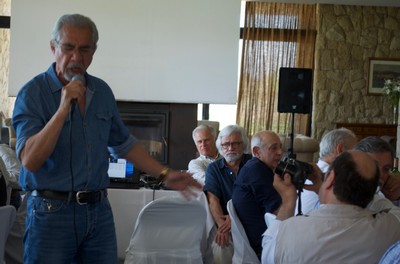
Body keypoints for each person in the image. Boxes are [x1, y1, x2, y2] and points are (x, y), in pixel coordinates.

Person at [12, 14, 201, 264]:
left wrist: (165, 174)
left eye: (84, 49)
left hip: (97, 212)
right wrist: (62, 109)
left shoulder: (101, 92)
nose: (76, 58)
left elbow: (124, 143)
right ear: (53, 48)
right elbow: (30, 160)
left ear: (94, 51)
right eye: (68, 48)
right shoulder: (32, 93)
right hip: (50, 213)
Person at [261, 150, 400, 264]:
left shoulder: (287, 234)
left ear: (331, 178)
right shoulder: (390, 228)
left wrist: (288, 203)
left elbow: (268, 255)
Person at [204, 124, 252, 263]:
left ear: (243, 144)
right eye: (225, 144)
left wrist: (235, 219)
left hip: (250, 219)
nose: (230, 148)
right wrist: (222, 226)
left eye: (235, 144)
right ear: (220, 147)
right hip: (225, 222)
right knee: (221, 245)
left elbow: (255, 198)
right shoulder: (214, 169)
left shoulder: (253, 164)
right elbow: (213, 199)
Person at [231, 130, 282, 258]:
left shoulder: (256, 167)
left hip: (263, 240)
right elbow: (279, 213)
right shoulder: (257, 170)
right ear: (257, 152)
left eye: (281, 147)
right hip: (264, 247)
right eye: (273, 148)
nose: (280, 152)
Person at [299, 127, 357, 214]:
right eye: (355, 151)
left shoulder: (311, 171)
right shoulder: (337, 176)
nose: (357, 157)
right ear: (340, 149)